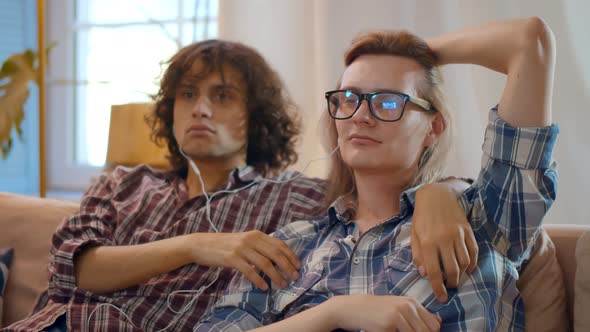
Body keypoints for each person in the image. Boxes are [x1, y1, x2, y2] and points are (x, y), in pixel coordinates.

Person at [4, 40, 473, 331]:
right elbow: (72, 269)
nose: (200, 109)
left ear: (256, 118)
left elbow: (378, 188)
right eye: (187, 94)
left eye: (221, 96)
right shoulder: (124, 183)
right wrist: (199, 246)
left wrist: (441, 192)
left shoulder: (290, 197)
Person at [196, 17, 558, 331]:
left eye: (388, 101)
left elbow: (530, 42)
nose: (360, 116)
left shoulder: (485, 217)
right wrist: (334, 313)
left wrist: (416, 53)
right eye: (349, 98)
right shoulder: (294, 244)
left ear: (433, 127)